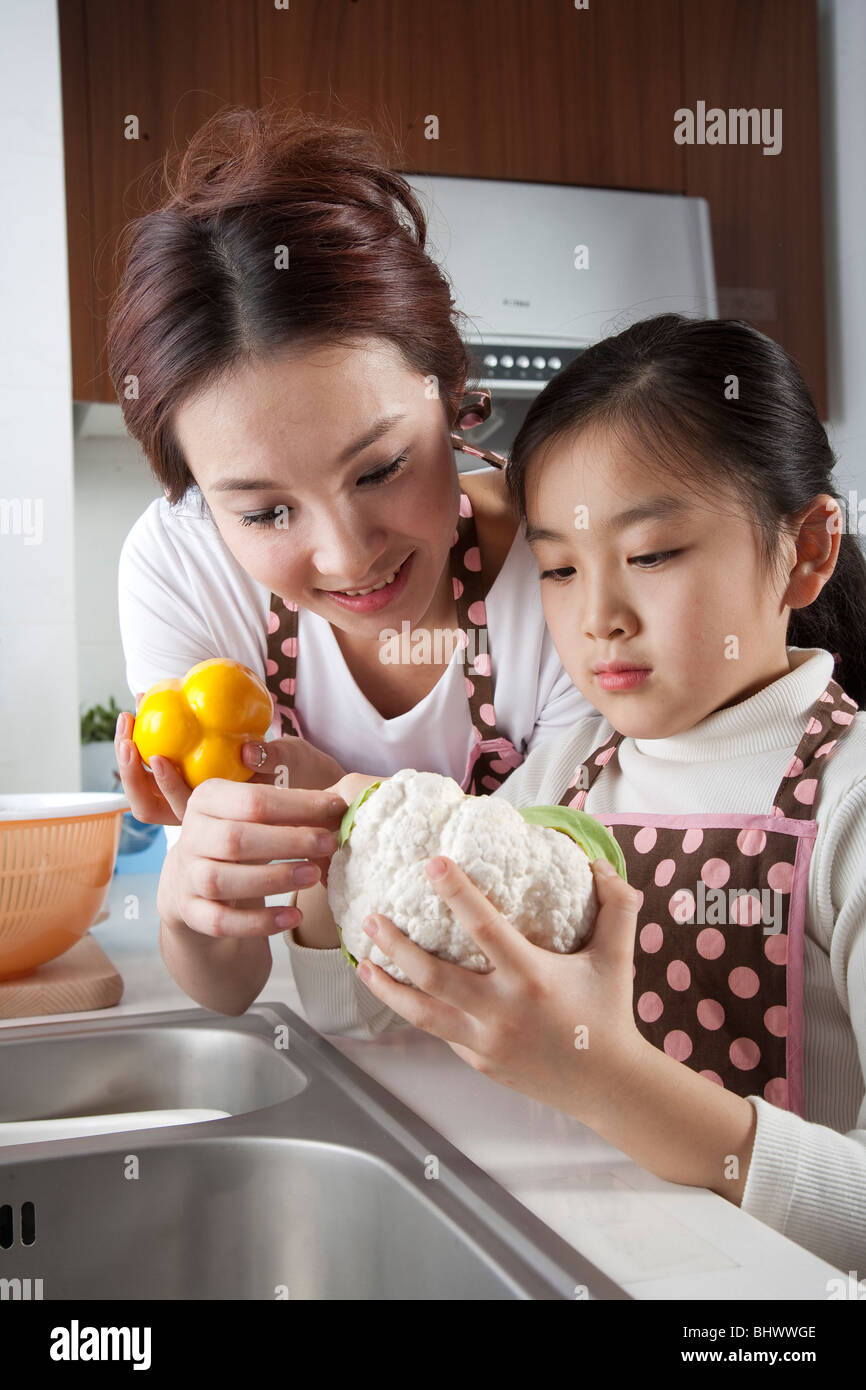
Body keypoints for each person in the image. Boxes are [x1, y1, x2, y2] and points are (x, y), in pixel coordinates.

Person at [334, 314, 866, 1273]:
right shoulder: (570, 772)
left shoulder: (848, 800)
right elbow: (413, 1010)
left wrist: (606, 1078)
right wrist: (318, 893)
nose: (600, 618)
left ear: (809, 548)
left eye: (654, 555)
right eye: (561, 570)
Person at [108, 105, 595, 1024]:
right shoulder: (181, 566)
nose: (346, 553)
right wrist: (194, 895)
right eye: (263, 511)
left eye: (381, 468)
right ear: (200, 501)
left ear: (452, 395)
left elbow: (568, 925)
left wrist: (338, 796)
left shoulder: (569, 566)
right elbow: (229, 982)